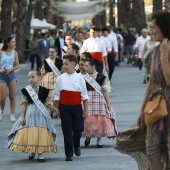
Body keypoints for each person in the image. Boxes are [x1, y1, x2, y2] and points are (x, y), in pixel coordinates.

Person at [115, 11, 170, 170]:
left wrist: (165, 54)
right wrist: (141, 112)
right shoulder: (153, 52)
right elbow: (151, 82)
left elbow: (168, 80)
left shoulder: (165, 50)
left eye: (154, 27)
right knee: (152, 149)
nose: (152, 31)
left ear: (164, 27)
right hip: (155, 107)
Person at [7, 70, 59, 162]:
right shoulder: (27, 91)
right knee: (31, 133)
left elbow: (47, 103)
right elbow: (24, 104)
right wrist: (22, 117)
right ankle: (31, 151)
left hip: (41, 116)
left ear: (39, 78)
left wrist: (55, 109)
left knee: (40, 134)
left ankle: (40, 154)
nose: (30, 79)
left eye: (32, 77)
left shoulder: (44, 90)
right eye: (29, 77)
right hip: (29, 116)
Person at [54, 55, 88, 161]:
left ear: (74, 65)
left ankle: (76, 145)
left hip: (76, 106)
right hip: (64, 107)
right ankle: (68, 153)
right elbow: (56, 96)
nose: (64, 66)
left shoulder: (80, 78)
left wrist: (85, 110)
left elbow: (85, 96)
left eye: (66, 64)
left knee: (78, 129)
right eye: (63, 64)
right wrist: (56, 109)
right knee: (67, 130)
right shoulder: (60, 78)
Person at [82, 58, 117, 148]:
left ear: (93, 67)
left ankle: (99, 139)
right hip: (88, 99)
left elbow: (105, 91)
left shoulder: (101, 77)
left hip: (99, 100)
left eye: (87, 66)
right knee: (88, 119)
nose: (85, 68)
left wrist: (108, 103)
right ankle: (88, 136)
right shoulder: (83, 78)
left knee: (100, 120)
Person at [0, 36, 19, 122]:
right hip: (2, 76)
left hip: (11, 75)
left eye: (15, 41)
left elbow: (17, 65)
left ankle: (12, 115)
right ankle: (1, 111)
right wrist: (1, 70)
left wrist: (10, 70)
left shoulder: (15, 53)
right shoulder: (1, 52)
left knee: (12, 96)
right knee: (2, 98)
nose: (14, 43)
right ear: (8, 43)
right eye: (13, 42)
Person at [40, 46, 63, 116]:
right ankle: (51, 110)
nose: (50, 54)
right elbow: (43, 71)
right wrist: (40, 81)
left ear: (56, 53)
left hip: (56, 80)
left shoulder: (60, 61)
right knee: (48, 97)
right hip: (47, 80)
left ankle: (55, 111)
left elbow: (62, 71)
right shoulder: (46, 61)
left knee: (54, 97)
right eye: (49, 52)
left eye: (52, 52)